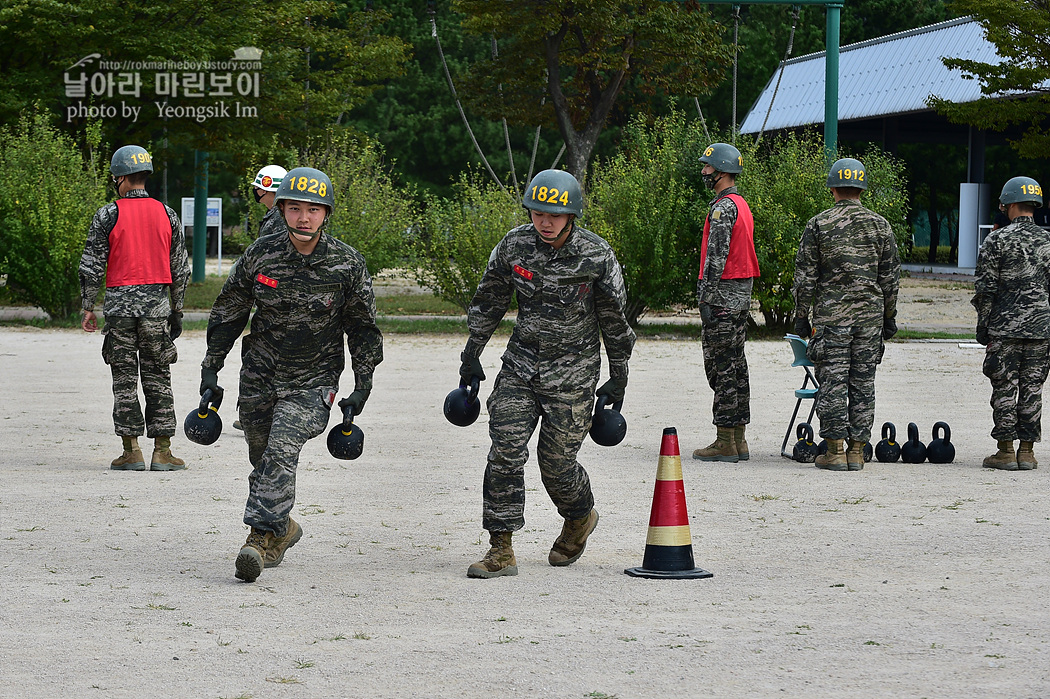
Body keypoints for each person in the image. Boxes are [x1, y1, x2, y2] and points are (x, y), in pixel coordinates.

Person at [200, 166, 383, 582]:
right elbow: (229, 312)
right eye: (295, 208)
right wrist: (211, 367)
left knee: (282, 448)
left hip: (313, 379)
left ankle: (258, 538)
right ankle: (284, 528)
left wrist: (362, 384)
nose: (304, 217)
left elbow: (363, 329)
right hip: (259, 374)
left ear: (326, 214)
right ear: (281, 208)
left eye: (314, 210)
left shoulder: (346, 264)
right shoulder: (260, 255)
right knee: (262, 454)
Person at [459, 169, 635, 579]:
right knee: (504, 450)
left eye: (554, 214)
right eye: (538, 212)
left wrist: (619, 375)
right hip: (520, 366)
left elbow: (615, 319)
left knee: (555, 463)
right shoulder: (515, 245)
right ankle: (500, 549)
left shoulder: (595, 255)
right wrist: (471, 353)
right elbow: (489, 299)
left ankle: (579, 516)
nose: (545, 221)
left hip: (573, 374)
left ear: (571, 214)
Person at [79, 145, 190, 472]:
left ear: (121, 177)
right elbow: (180, 268)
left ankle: (131, 452)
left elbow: (91, 265)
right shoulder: (167, 214)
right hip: (156, 309)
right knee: (158, 376)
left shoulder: (107, 215)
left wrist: (88, 306)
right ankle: (163, 452)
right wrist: (177, 309)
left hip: (119, 309)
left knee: (123, 379)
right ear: (145, 176)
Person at [792, 157, 900, 471]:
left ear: (833, 188)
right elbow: (890, 278)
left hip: (832, 319)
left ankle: (835, 451)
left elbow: (805, 275)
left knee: (833, 383)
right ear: (861, 188)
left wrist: (801, 315)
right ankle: (857, 451)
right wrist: (889, 317)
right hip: (869, 319)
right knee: (864, 384)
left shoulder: (819, 223)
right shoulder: (880, 225)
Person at [972, 176, 1050, 471]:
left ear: (1011, 204)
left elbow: (986, 289)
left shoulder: (996, 240)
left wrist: (983, 326)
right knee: (1032, 387)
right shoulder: (1047, 241)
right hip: (1041, 328)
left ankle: (1005, 451)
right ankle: (1027, 452)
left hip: (1005, 328)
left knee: (1005, 386)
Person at [692, 142, 761, 463]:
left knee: (720, 367)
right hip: (739, 294)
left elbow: (716, 256)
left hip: (722, 295)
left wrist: (705, 295)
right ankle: (738, 440)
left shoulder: (722, 208)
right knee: (736, 365)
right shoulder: (740, 204)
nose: (704, 171)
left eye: (708, 167)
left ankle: (724, 441)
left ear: (720, 170)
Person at [232, 163, 289, 432]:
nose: (255, 191)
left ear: (266, 189)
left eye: (259, 186)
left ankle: (257, 413)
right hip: (276, 296)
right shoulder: (277, 215)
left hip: (276, 301)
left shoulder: (277, 218)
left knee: (263, 357)